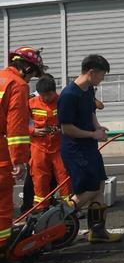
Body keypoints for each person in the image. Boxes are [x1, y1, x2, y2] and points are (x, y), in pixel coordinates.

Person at [58, 54, 122, 244]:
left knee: (100, 185)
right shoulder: (69, 95)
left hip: (89, 148)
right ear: (91, 72)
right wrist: (92, 134)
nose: (102, 80)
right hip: (75, 150)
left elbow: (92, 113)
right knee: (90, 189)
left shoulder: (88, 90)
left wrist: (97, 128)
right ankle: (60, 216)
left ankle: (98, 231)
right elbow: (66, 128)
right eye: (101, 76)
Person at [0, 46, 45, 253]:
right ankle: (3, 252)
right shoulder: (17, 84)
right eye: (34, 73)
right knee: (2, 203)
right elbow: (15, 127)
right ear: (26, 68)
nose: (32, 78)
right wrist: (18, 160)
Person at [29, 74, 71, 208]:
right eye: (43, 95)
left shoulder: (63, 101)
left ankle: (68, 206)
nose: (46, 98)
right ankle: (41, 208)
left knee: (64, 175)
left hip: (59, 146)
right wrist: (33, 131)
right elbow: (18, 122)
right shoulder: (31, 103)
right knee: (39, 177)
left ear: (54, 91)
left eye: (48, 95)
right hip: (38, 147)